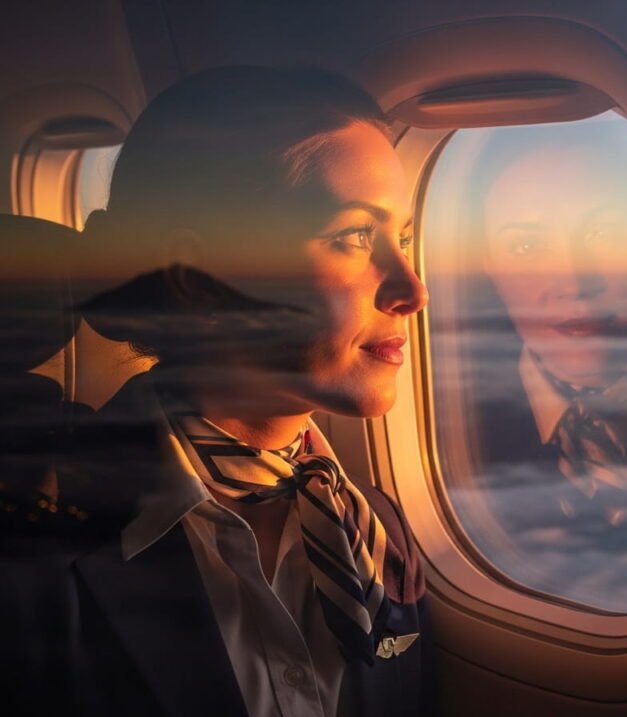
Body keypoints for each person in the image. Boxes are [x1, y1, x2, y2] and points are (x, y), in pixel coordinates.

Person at [0, 66, 434, 716]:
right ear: (196, 278)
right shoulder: (35, 554)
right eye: (352, 236)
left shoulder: (374, 529)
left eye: (400, 237)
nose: (412, 288)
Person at [428, 116, 627, 611]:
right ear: (488, 267)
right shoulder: (439, 442)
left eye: (603, 233)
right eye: (526, 245)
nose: (573, 279)